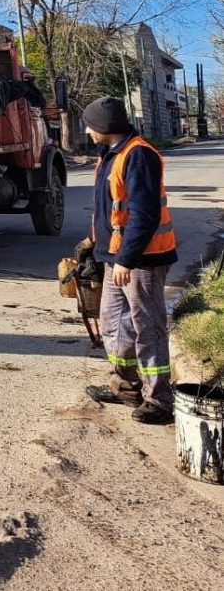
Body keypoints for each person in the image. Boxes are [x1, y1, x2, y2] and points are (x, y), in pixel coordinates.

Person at [79, 97, 178, 425]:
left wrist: (126, 259)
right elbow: (111, 211)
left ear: (104, 127)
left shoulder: (138, 155)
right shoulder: (110, 156)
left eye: (90, 124)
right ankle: (127, 387)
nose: (87, 130)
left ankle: (160, 399)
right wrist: (93, 244)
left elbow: (144, 215)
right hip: (116, 258)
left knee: (146, 326)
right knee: (113, 322)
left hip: (142, 260)